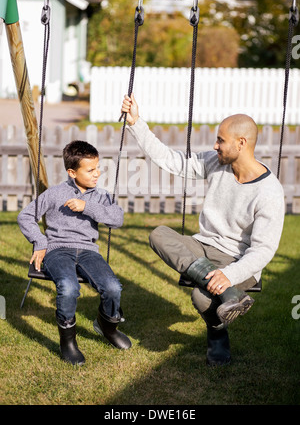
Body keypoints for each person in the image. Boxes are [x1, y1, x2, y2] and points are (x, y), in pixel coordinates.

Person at [121, 93, 285, 366]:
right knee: (159, 233)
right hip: (203, 246)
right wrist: (137, 122)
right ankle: (229, 296)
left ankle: (218, 337)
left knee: (200, 296)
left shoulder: (269, 192)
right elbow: (172, 161)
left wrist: (229, 275)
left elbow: (263, 250)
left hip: (237, 260)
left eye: (220, 140)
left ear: (241, 143)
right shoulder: (217, 163)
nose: (215, 145)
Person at [18, 140, 131, 366]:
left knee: (112, 288)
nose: (97, 173)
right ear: (72, 172)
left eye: (97, 167)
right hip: (57, 250)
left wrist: (85, 206)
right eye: (90, 170)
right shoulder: (55, 193)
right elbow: (25, 216)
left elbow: (117, 219)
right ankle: (68, 342)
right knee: (69, 287)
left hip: (88, 250)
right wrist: (40, 242)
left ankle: (107, 326)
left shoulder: (101, 196)